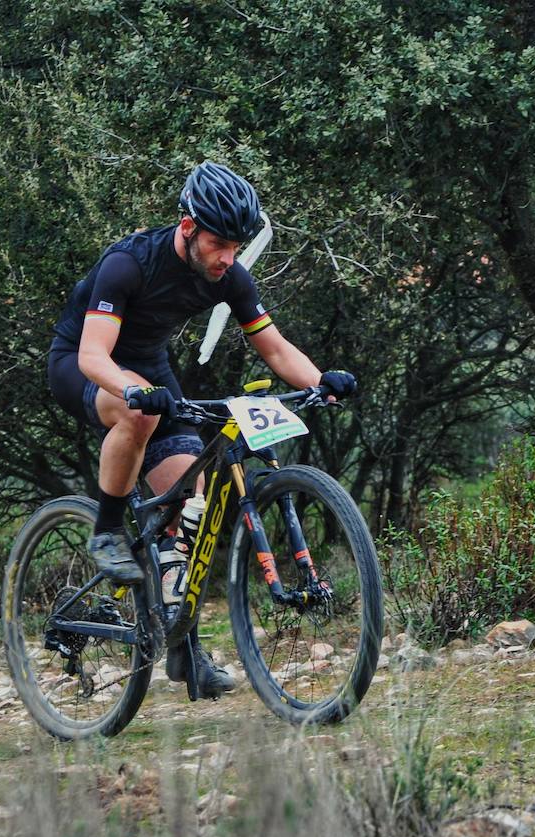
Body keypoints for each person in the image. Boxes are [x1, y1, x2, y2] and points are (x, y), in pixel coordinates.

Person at [47, 162, 356, 698]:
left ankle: (184, 652)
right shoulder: (128, 264)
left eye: (237, 246)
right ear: (187, 227)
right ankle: (107, 531)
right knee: (139, 415)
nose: (227, 258)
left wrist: (320, 379)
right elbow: (94, 354)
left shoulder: (230, 275)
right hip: (83, 365)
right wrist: (131, 390)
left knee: (190, 502)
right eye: (218, 244)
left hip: (151, 369)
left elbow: (276, 348)